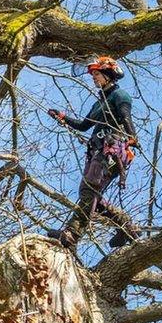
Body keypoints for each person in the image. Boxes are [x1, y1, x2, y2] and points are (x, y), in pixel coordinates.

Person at [48, 56, 142, 250]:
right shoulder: (98, 104)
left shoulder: (119, 95)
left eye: (97, 74)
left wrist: (132, 138)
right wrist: (63, 117)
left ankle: (72, 234)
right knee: (91, 197)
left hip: (112, 149)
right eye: (93, 75)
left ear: (108, 75)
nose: (93, 78)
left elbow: (126, 117)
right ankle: (126, 226)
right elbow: (83, 126)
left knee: (89, 189)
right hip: (97, 150)